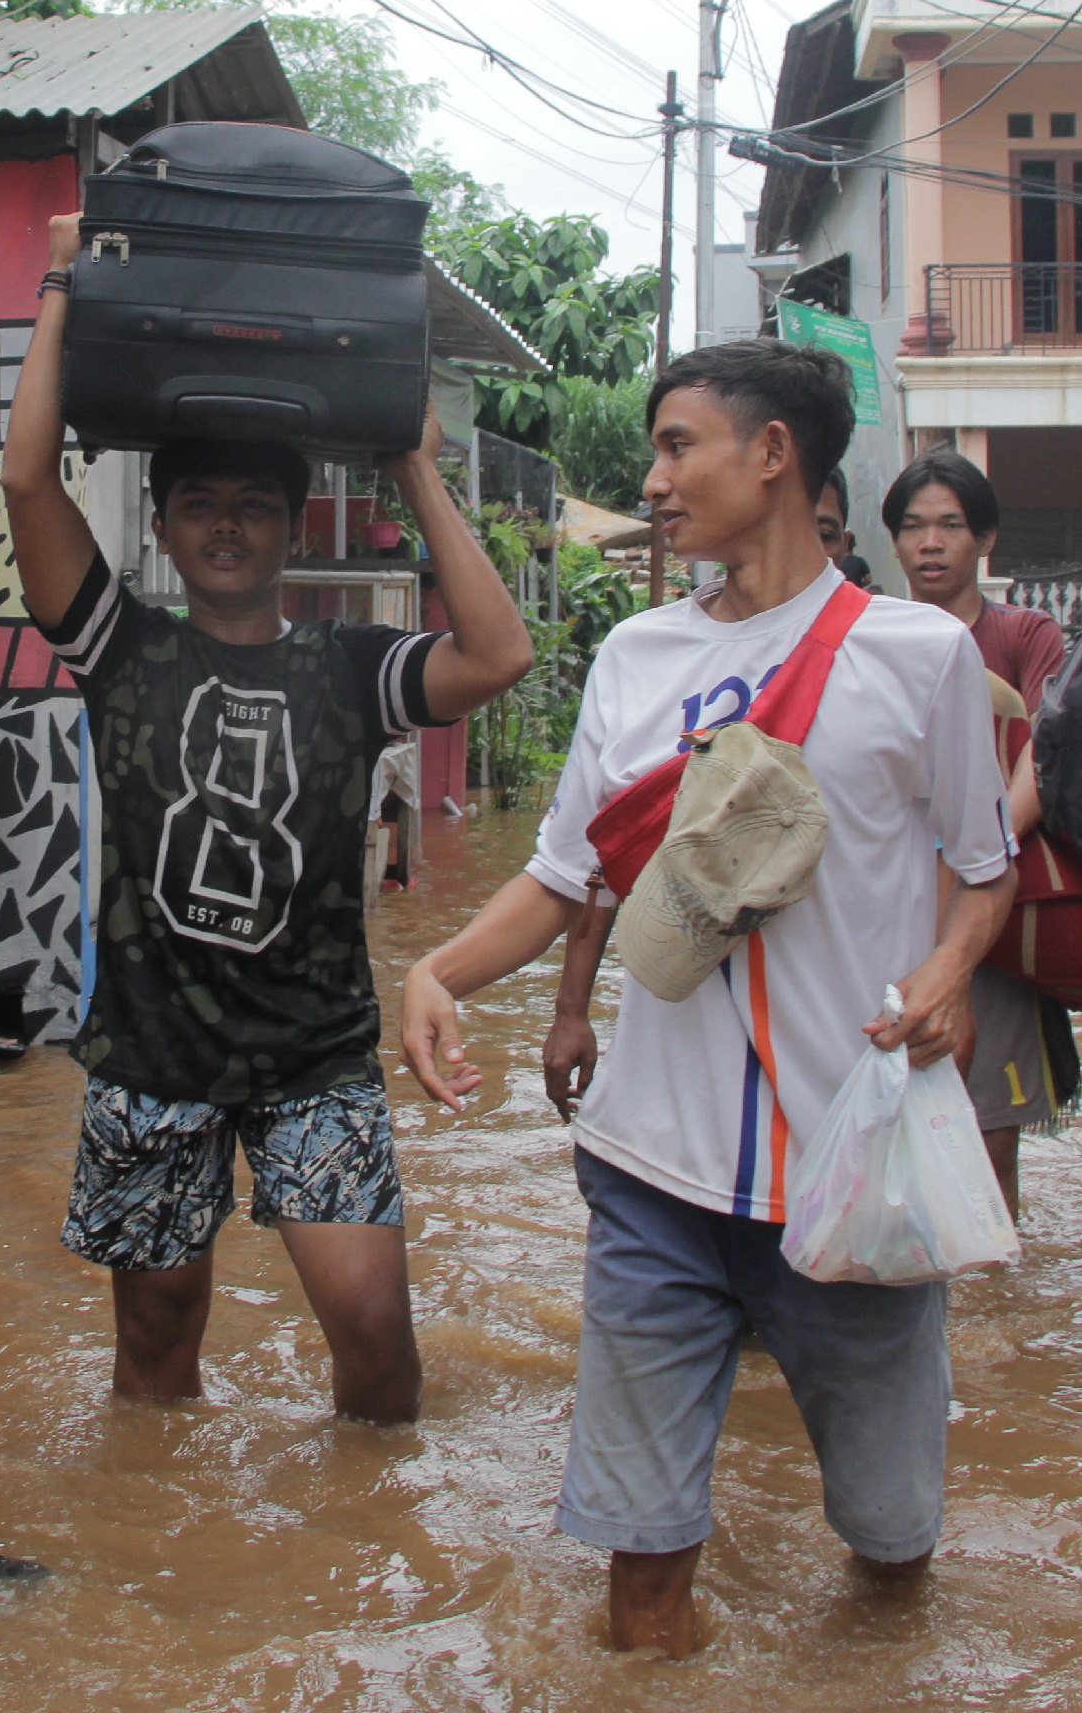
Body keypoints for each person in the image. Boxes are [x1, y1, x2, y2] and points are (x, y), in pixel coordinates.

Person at [400, 338, 1015, 1656]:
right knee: (638, 1583)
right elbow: (567, 878)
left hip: (852, 1175)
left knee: (891, 1554)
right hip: (651, 1174)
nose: (656, 480)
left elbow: (985, 873)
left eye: (679, 445)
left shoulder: (920, 659)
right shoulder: (634, 655)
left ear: (774, 455)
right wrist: (436, 969)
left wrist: (949, 975)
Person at [1, 214, 534, 1425]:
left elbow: (499, 651)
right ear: (166, 528)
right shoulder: (120, 647)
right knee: (154, 1340)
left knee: (374, 1336)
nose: (226, 524)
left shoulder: (352, 667)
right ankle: (161, 1562)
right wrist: (56, 284)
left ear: (295, 528)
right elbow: (29, 477)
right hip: (150, 1055)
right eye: (199, 504)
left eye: (254, 504)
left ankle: (361, 1538)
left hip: (316, 1054)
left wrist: (413, 464)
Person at [883, 448, 1071, 1212]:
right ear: (894, 539)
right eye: (915, 526)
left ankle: (992, 1310)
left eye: (950, 526)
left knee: (989, 1140)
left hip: (984, 910)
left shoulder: (1027, 634)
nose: (931, 543)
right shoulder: (869, 631)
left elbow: (1050, 755)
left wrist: (978, 853)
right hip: (885, 904)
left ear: (983, 539)